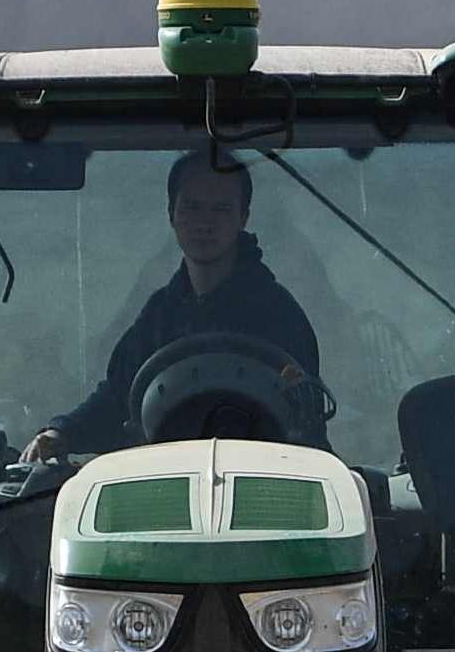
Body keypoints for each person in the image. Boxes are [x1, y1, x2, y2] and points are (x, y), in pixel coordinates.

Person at [21, 151, 322, 462]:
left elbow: (305, 425)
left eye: (220, 209)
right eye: (192, 207)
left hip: (264, 487)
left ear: (243, 218)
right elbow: (116, 398)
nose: (205, 222)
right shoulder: (159, 316)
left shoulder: (281, 317)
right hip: (164, 487)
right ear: (171, 214)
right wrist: (61, 432)